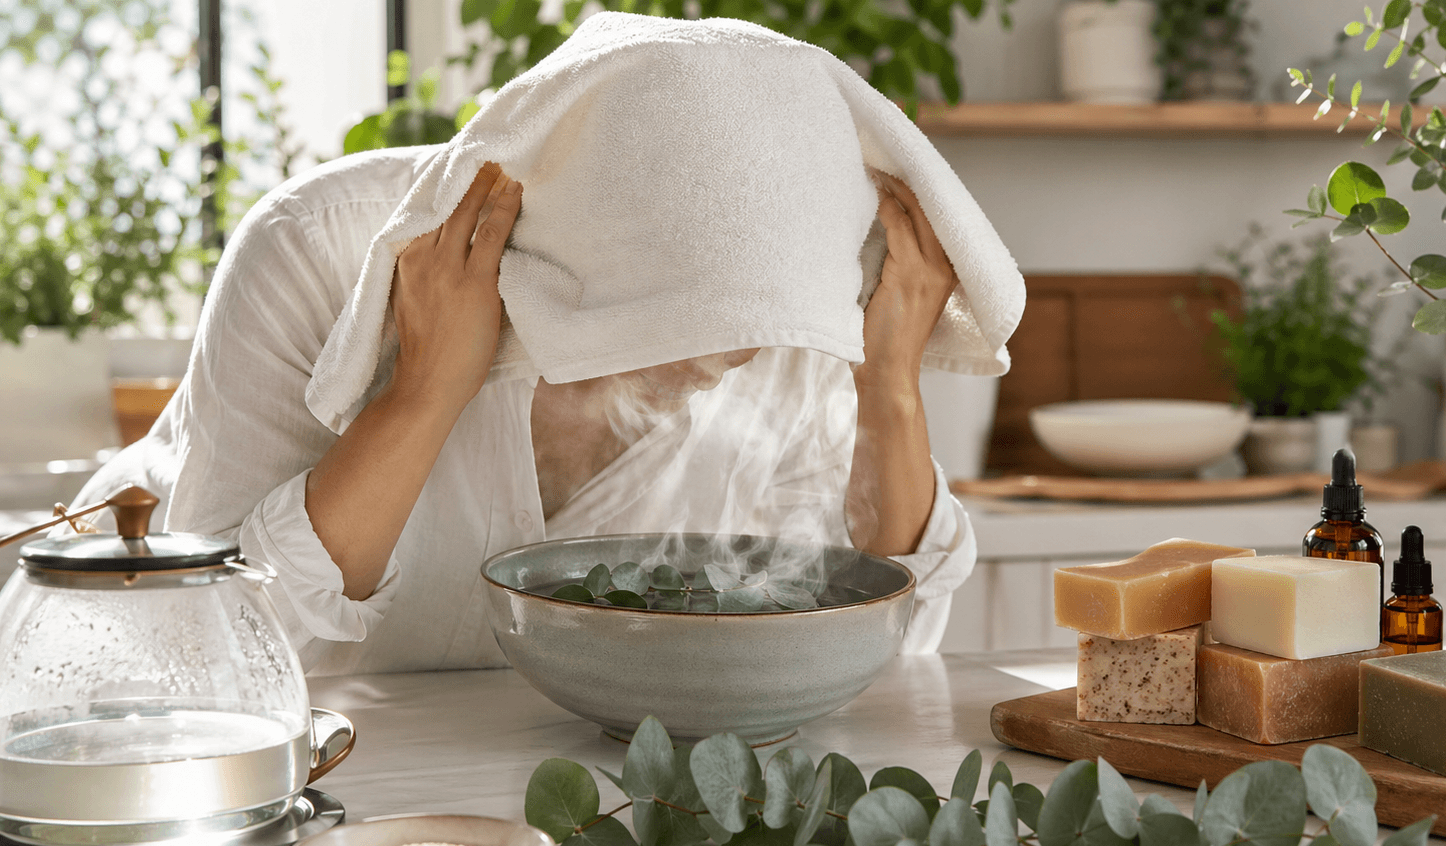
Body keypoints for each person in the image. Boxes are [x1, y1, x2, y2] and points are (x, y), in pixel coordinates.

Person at [75, 14, 1023, 674]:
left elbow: (895, 644)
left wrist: (889, 383)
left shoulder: (793, 313)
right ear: (588, 258)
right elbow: (216, 647)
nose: (728, 366)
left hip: (544, 777)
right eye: (686, 324)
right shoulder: (322, 251)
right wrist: (425, 395)